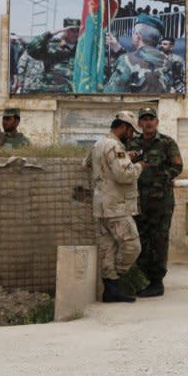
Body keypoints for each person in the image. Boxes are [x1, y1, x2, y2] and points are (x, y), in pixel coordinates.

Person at [84, 111, 145, 303]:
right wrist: (140, 166)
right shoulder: (114, 145)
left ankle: (110, 291)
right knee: (132, 245)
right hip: (116, 207)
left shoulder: (99, 143)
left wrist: (125, 157)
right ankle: (116, 279)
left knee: (108, 249)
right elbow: (124, 175)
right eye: (131, 131)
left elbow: (86, 163)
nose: (132, 135)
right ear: (124, 127)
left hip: (101, 205)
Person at [127, 107, 183, 297]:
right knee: (140, 240)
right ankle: (142, 279)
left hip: (161, 202)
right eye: (145, 119)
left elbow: (177, 166)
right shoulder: (132, 143)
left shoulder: (167, 143)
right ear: (140, 123)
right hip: (138, 202)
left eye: (151, 119)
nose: (148, 122)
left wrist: (160, 179)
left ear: (157, 122)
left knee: (159, 241)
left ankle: (157, 282)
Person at [104, 13, 172, 93]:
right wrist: (118, 49)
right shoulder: (167, 61)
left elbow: (111, 94)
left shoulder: (126, 60)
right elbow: (142, 60)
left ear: (137, 36)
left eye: (133, 33)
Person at [24, 17, 81, 92]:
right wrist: (49, 34)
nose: (75, 33)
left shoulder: (83, 48)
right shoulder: (52, 45)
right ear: (64, 31)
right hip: (55, 90)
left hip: (76, 91)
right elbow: (31, 50)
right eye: (72, 30)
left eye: (78, 30)